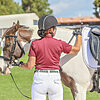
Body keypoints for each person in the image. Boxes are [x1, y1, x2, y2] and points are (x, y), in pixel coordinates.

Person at [19, 15, 82, 100]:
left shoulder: (35, 44)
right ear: (51, 30)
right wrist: (79, 35)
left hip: (40, 79)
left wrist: (21, 65)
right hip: (55, 79)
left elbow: (30, 66)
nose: (56, 30)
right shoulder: (59, 43)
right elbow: (76, 49)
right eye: (55, 28)